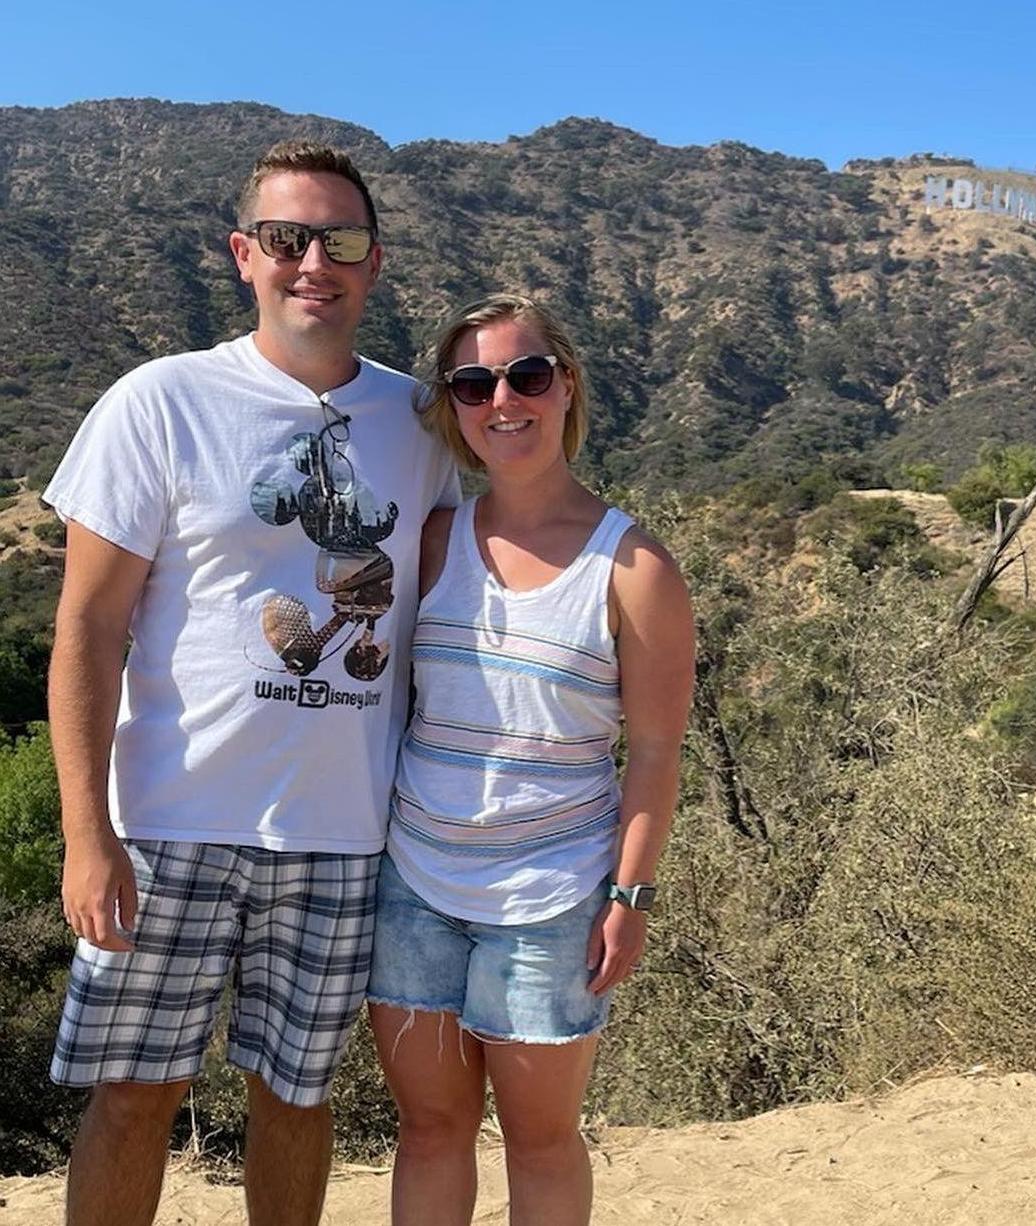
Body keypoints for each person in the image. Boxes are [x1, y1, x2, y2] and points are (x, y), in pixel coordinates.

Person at [43, 140, 458, 1226]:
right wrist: (85, 830)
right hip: (167, 823)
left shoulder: (421, 425)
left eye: (341, 239)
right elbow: (87, 628)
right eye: (286, 238)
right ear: (244, 254)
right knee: (133, 1098)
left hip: (340, 831)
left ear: (376, 262)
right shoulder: (161, 401)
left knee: (296, 1097)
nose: (313, 260)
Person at [367, 293, 695, 1226]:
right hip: (416, 889)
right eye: (473, 383)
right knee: (429, 1132)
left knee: (540, 1142)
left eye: (526, 375)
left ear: (566, 387)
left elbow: (657, 751)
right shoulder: (433, 544)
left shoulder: (633, 569)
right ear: (455, 408)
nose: (501, 400)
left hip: (552, 904)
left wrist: (630, 897)